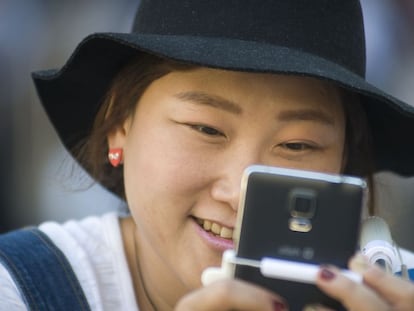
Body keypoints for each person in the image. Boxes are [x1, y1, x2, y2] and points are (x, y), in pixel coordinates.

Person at [1, 0, 414, 310]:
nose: (239, 192)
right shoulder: (16, 288)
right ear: (118, 126)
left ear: (344, 163)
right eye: (207, 129)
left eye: (297, 145)